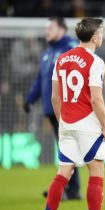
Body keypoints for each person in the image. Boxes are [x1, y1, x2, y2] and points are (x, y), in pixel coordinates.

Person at [38, 17, 105, 210]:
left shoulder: (62, 59)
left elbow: (55, 98)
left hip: (66, 122)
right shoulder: (95, 61)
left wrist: (63, 120)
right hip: (88, 124)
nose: (102, 36)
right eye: (101, 33)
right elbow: (96, 99)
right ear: (95, 37)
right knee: (97, 171)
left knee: (63, 172)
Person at [24, 17, 81, 200]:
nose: (46, 31)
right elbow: (40, 80)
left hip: (67, 107)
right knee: (66, 148)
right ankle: (73, 190)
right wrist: (30, 99)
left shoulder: (71, 48)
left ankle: (64, 189)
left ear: (62, 29)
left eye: (50, 28)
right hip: (51, 108)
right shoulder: (48, 52)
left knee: (66, 148)